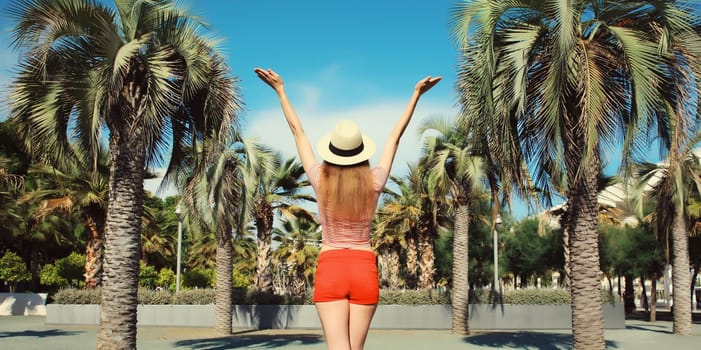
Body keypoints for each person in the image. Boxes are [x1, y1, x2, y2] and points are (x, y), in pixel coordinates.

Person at [254, 67, 440, 350]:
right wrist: (416, 95)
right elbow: (394, 138)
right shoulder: (374, 181)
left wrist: (280, 90)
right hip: (364, 268)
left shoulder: (320, 179)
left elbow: (298, 133)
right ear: (361, 152)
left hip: (331, 268)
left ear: (332, 151)